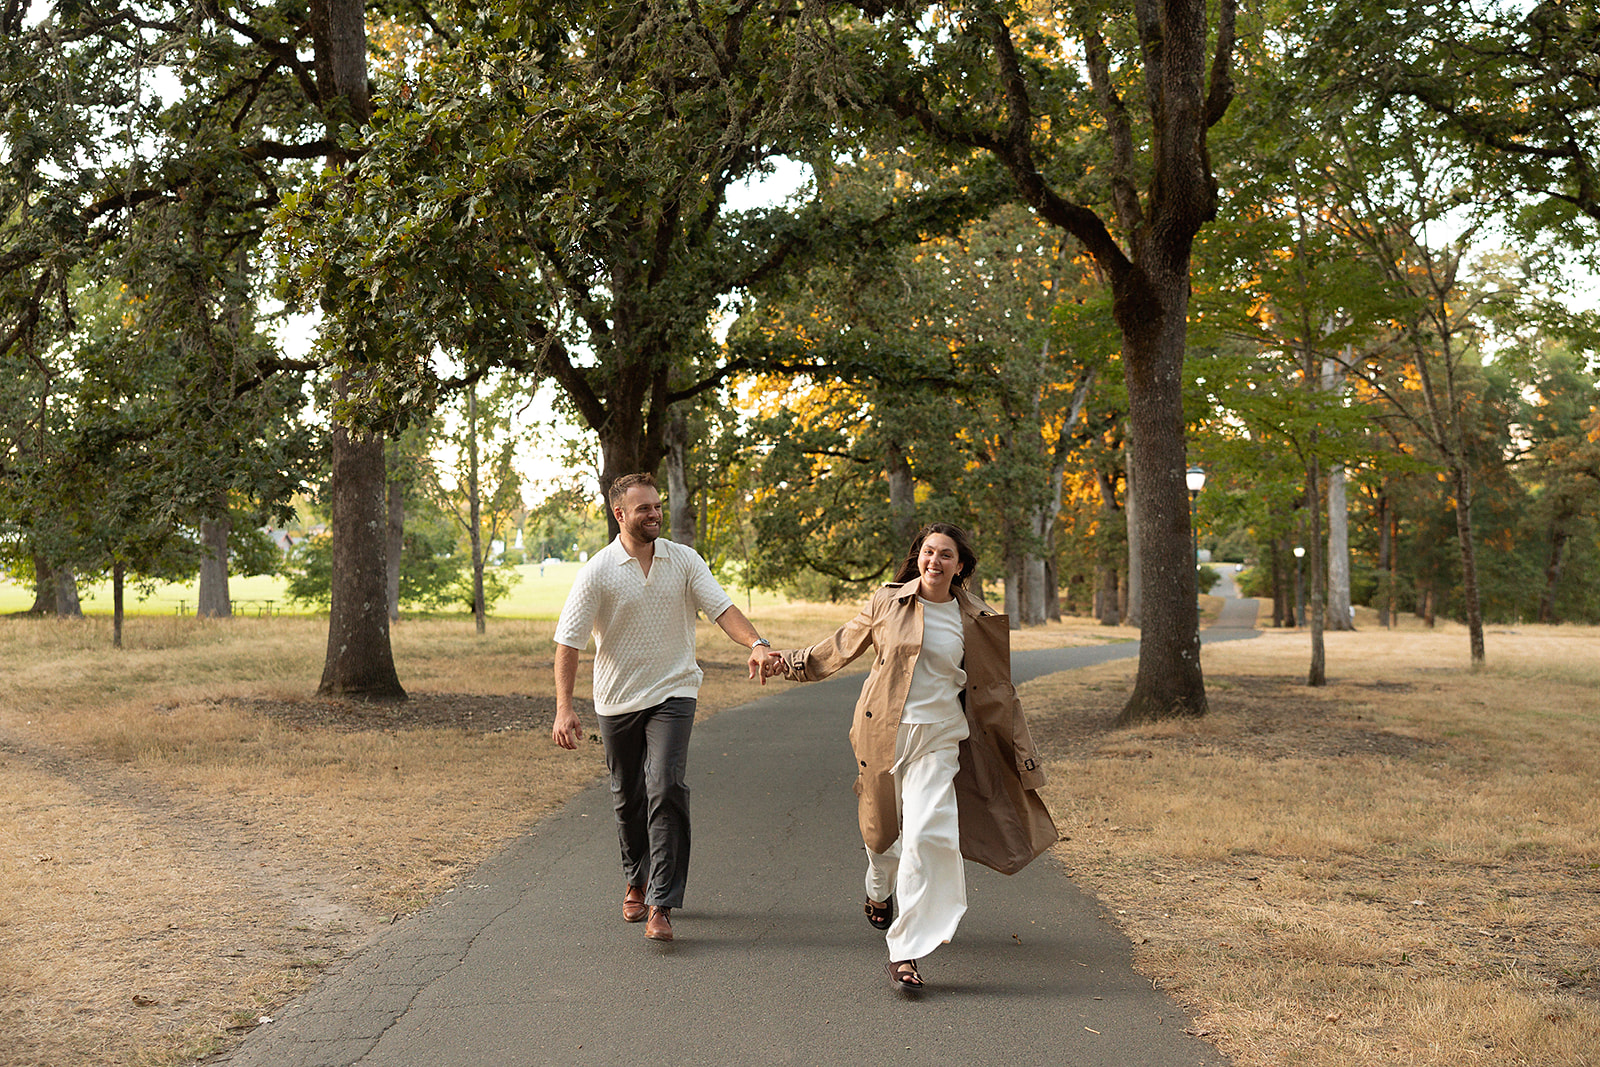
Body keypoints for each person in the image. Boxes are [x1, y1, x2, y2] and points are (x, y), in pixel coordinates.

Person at [764, 523, 1057, 989]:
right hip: (882, 735)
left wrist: (1023, 757)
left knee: (927, 836)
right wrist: (789, 662)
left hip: (939, 740)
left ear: (960, 566)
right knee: (882, 840)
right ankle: (878, 891)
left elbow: (1001, 691)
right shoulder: (888, 602)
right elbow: (841, 645)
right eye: (927, 552)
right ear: (917, 557)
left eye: (945, 555)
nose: (934, 562)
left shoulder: (979, 619)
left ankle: (907, 953)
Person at [552, 473, 774, 943]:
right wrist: (564, 708)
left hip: (675, 690)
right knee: (627, 794)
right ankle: (636, 876)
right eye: (644, 509)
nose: (655, 514)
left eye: (657, 506)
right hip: (617, 698)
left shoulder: (683, 560)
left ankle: (661, 901)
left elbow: (722, 609)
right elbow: (568, 642)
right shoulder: (597, 570)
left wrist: (756, 642)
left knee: (666, 784)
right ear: (619, 515)